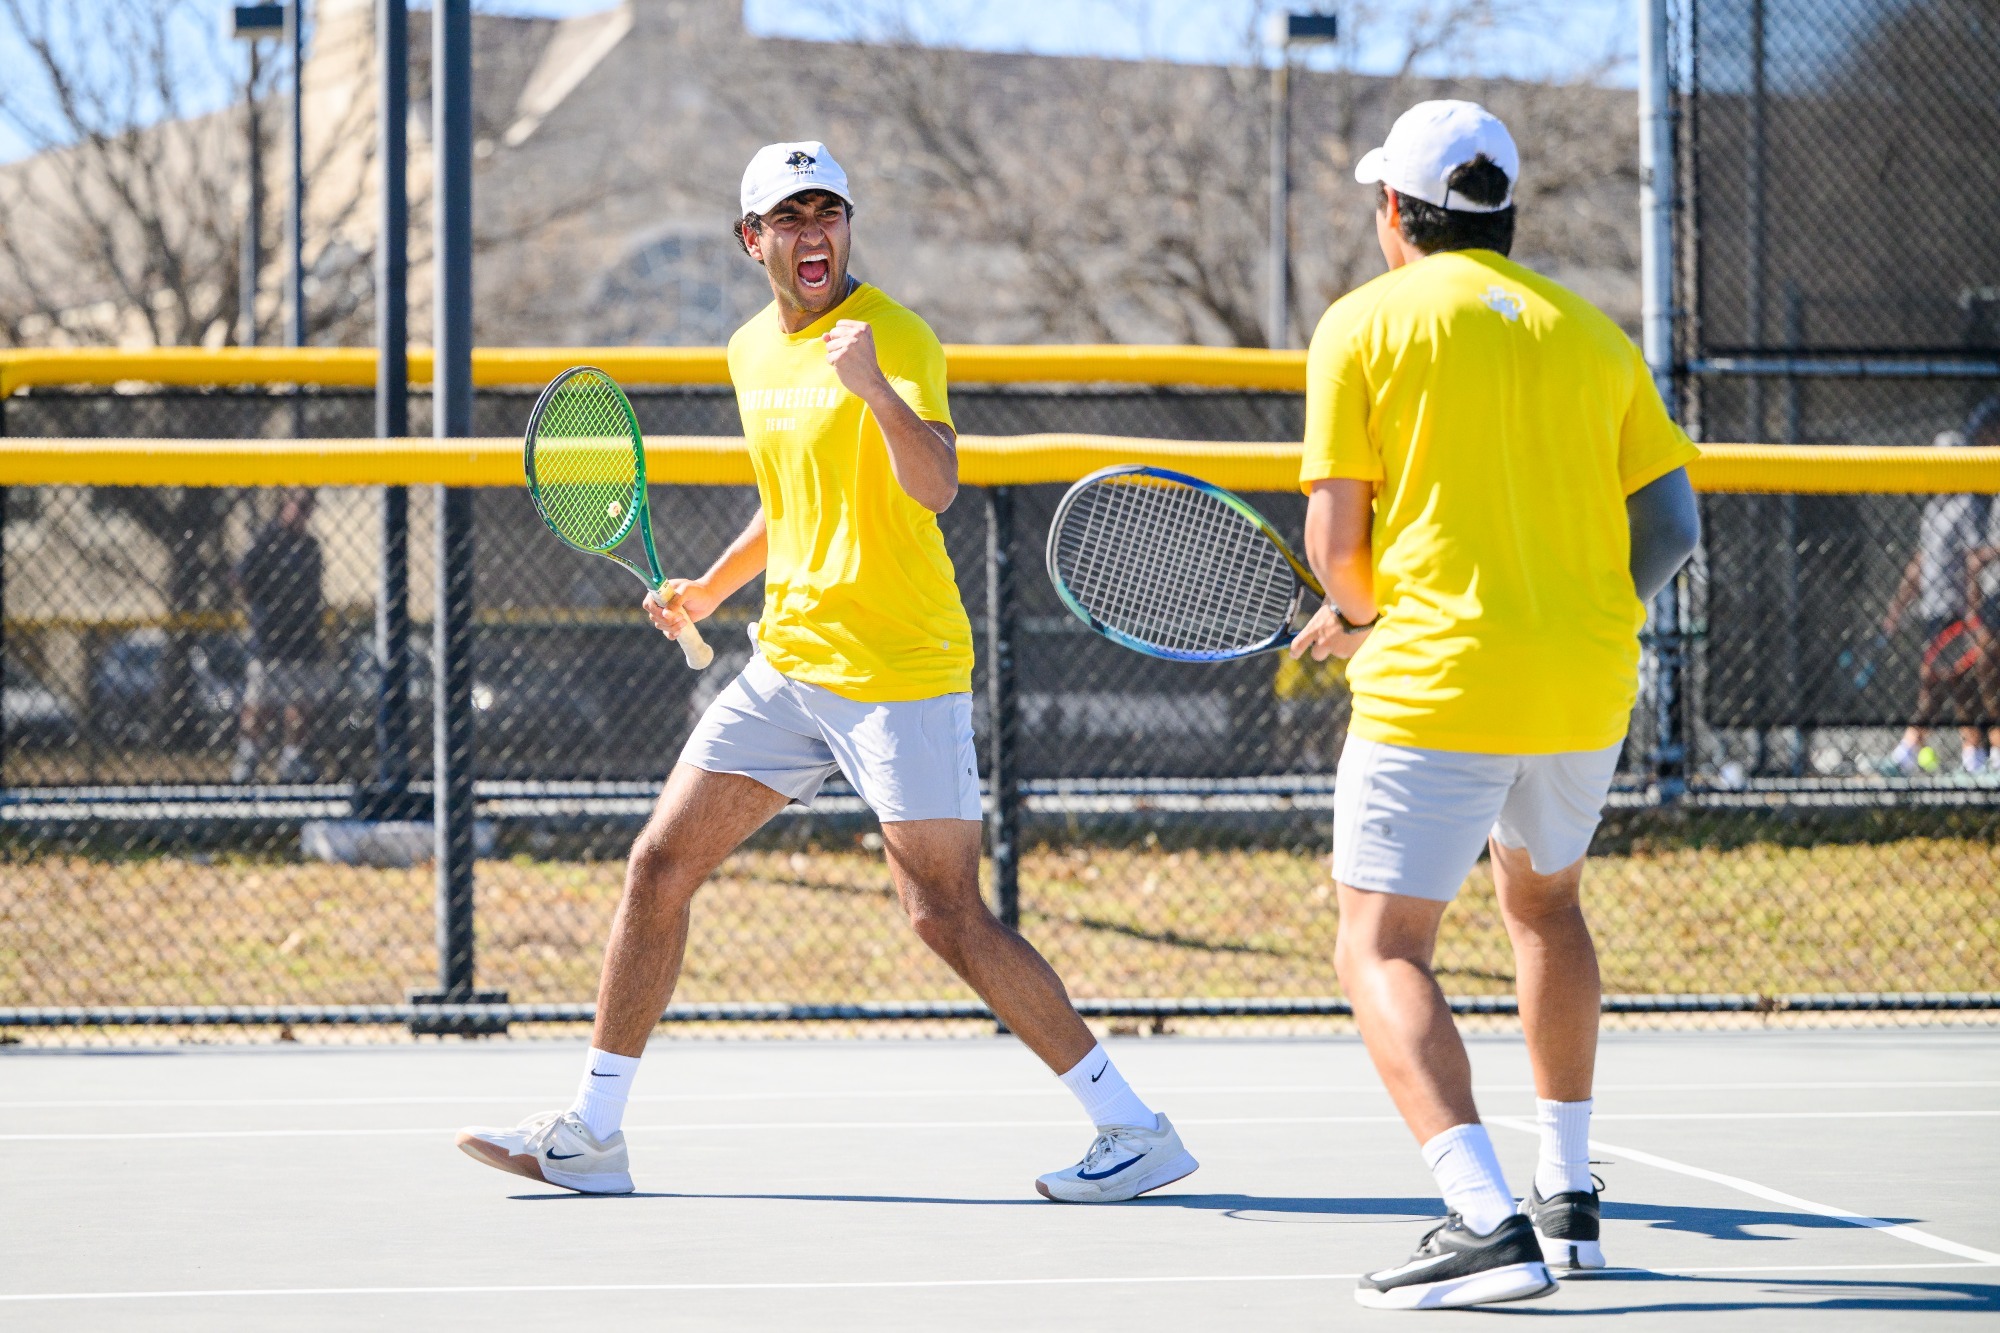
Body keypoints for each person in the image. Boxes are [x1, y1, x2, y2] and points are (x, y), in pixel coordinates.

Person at [457, 142, 1195, 1202]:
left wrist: (878, 392)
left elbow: (937, 484)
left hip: (898, 670)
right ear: (750, 239)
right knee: (658, 866)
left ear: (845, 226)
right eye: (787, 218)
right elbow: (787, 502)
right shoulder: (749, 350)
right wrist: (712, 588)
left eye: (827, 213)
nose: (812, 234)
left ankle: (1132, 1127)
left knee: (941, 913)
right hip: (787, 665)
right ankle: (592, 1132)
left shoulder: (894, 336)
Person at [1286, 101, 1701, 1309]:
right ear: (1502, 214)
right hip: (1583, 682)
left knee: (1377, 944)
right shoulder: (1593, 334)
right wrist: (1575, 610)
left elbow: (1335, 544)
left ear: (1392, 213)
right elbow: (1672, 529)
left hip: (1435, 683)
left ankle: (1481, 1219)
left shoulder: (1361, 323)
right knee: (1545, 909)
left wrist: (1356, 612)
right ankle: (1563, 1199)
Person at [1883, 401, 2000, 775]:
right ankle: (1974, 755)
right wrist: (1898, 607)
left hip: (1958, 608)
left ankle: (1912, 749)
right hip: (1932, 609)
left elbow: (1973, 558)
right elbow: (1919, 562)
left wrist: (1971, 612)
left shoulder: (1969, 505)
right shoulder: (1934, 508)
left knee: (1938, 681)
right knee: (1958, 687)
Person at [231, 487, 332, 784]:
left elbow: (314, 594)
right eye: (299, 505)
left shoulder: (310, 547)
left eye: (308, 507)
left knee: (300, 703)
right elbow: (241, 577)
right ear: (285, 504)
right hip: (270, 638)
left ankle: (291, 759)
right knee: (260, 702)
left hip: (303, 638)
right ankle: (248, 758)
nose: (303, 512)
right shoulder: (267, 540)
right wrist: (265, 606)